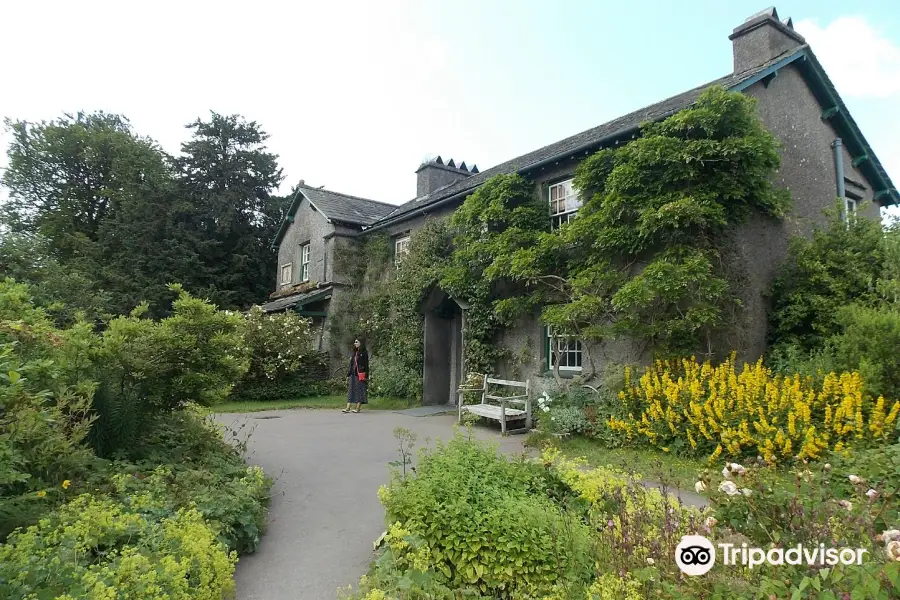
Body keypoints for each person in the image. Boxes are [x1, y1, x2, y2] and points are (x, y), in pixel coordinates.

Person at [343, 338, 369, 413]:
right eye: (355, 342)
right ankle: (347, 408)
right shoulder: (354, 352)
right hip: (353, 374)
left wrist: (366, 375)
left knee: (360, 390)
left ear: (361, 343)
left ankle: (357, 408)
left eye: (357, 342)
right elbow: (351, 364)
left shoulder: (364, 352)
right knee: (351, 390)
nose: (355, 343)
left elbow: (366, 365)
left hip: (360, 374)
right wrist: (348, 374)